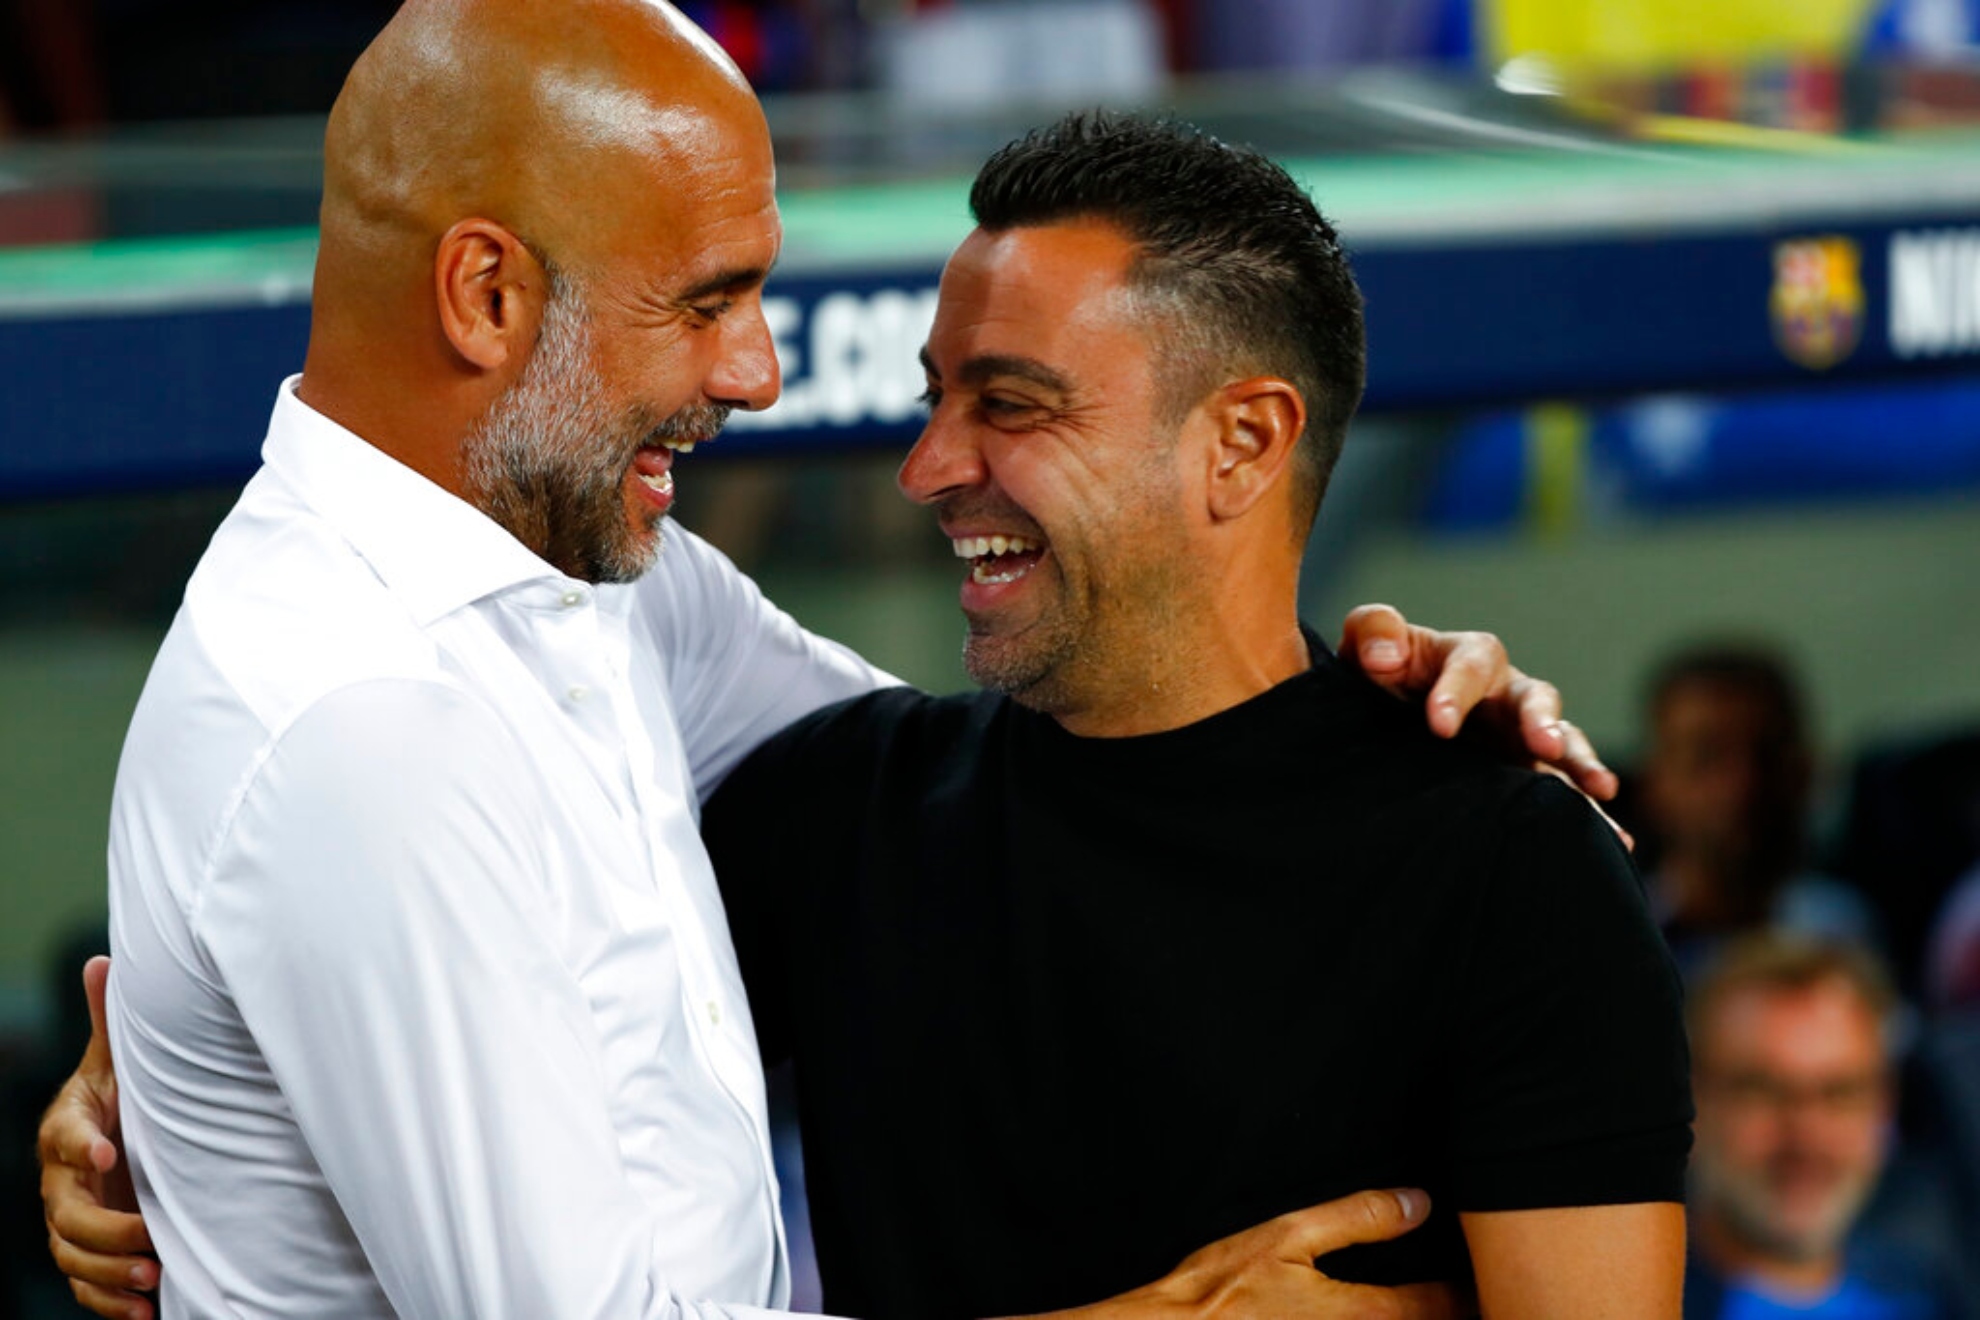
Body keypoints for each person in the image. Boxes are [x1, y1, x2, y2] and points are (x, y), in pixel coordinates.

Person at [34, 4, 1606, 1318]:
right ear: (488, 295)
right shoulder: (367, 730)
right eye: (706, 302)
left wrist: (1366, 713)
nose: (759, 372)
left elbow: (1054, 773)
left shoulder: (589, 583)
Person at [694, 111, 1693, 1319]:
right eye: (935, 397)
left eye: (1009, 404)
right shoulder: (829, 813)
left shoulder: (1505, 869)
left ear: (1243, 443)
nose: (928, 467)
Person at [1686, 934, 1958, 1319]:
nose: (1807, 1134)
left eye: (1839, 1092)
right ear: (1694, 1105)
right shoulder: (1630, 1303)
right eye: (1764, 1090)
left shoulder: (1929, 1297)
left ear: (1884, 1107)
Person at [1637, 644, 1879, 979]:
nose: (1741, 784)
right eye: (1706, 758)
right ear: (1655, 782)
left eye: (1766, 756)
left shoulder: (1847, 935)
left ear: (1806, 772)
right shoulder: (1609, 936)